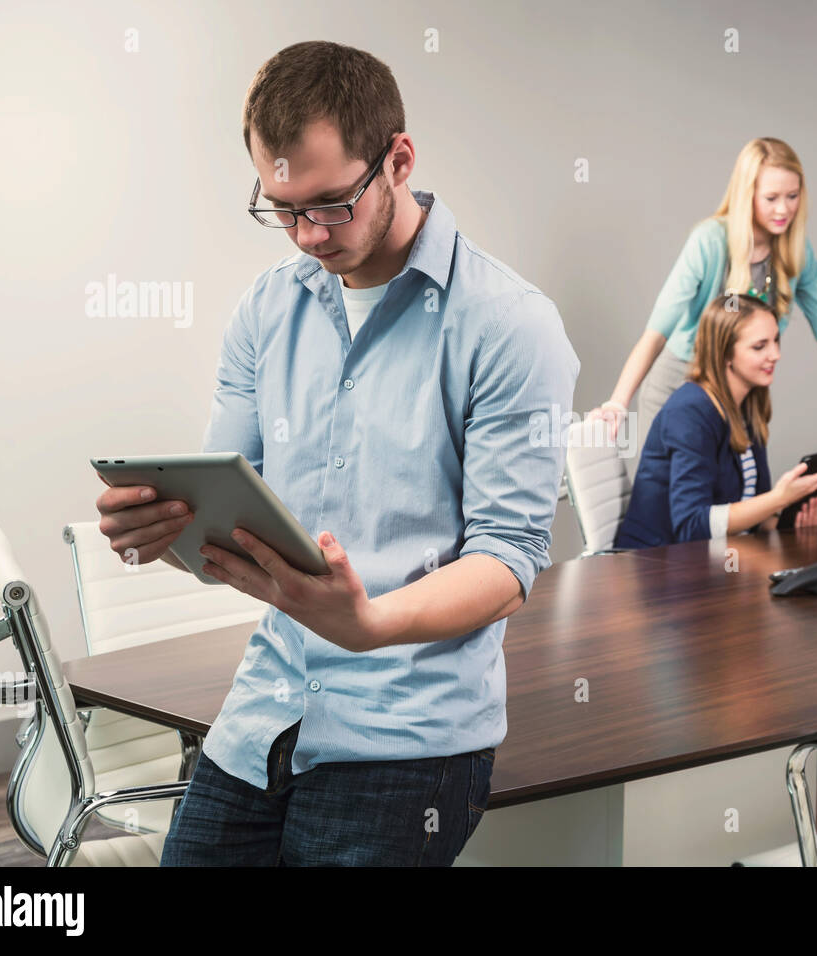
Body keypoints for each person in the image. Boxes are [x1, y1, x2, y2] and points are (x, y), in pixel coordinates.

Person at [92, 41, 578, 866]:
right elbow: (231, 522)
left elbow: (510, 558)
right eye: (280, 207)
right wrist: (163, 532)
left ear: (398, 159)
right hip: (263, 718)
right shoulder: (264, 312)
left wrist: (372, 623)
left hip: (409, 740)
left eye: (328, 203)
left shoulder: (509, 326)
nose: (305, 234)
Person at [588, 137, 817, 453]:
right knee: (666, 496)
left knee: (736, 494)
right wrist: (618, 401)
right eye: (771, 198)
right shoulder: (709, 242)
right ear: (746, 195)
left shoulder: (797, 252)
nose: (784, 209)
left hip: (740, 394)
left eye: (792, 196)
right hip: (679, 383)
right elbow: (657, 332)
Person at [613, 294, 817, 549]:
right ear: (725, 353)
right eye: (760, 346)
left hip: (711, 559)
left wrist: (784, 523)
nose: (775, 354)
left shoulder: (747, 405)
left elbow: (750, 514)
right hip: (657, 565)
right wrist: (778, 499)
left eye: (776, 341)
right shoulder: (689, 412)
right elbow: (692, 526)